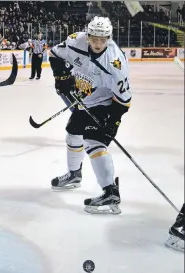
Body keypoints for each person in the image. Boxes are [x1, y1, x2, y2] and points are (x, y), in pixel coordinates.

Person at [48, 16, 131, 214]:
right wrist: (61, 78)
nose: (98, 43)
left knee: (94, 142)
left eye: (103, 40)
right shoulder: (76, 41)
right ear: (88, 36)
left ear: (109, 38)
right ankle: (74, 174)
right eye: (94, 38)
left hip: (107, 104)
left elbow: (124, 100)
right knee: (72, 135)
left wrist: (112, 122)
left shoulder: (115, 63)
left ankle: (110, 191)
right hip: (84, 100)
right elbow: (54, 54)